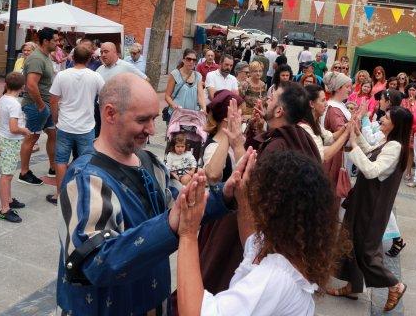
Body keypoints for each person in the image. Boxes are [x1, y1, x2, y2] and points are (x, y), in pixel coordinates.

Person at [56, 73, 237, 315]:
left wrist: (226, 193)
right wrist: (170, 225)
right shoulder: (86, 177)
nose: (151, 129)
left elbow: (184, 205)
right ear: (110, 114)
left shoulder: (149, 161)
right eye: (142, 120)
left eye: (153, 118)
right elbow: (95, 262)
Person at [176, 150, 338, 316]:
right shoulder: (292, 257)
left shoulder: (276, 277)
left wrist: (188, 233)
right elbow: (252, 244)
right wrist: (242, 196)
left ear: (271, 208)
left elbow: (196, 312)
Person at [332, 107, 411, 312]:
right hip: (363, 200)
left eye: (387, 117)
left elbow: (371, 170)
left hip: (372, 206)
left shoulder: (395, 147)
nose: (382, 119)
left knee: (365, 250)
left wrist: (353, 143)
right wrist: (357, 135)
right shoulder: (389, 142)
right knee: (350, 240)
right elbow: (371, 153)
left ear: (396, 124)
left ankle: (394, 284)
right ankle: (353, 286)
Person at [197, 91, 247, 293]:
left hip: (233, 215)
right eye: (239, 113)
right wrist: (227, 134)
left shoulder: (236, 142)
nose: (243, 117)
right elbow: (214, 174)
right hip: (216, 217)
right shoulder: (213, 146)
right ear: (228, 116)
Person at [47, 45, 105, 205]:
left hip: (65, 125)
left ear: (72, 58)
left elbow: (53, 99)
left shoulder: (62, 75)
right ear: (88, 59)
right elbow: (105, 98)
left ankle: (60, 194)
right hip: (86, 127)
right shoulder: (95, 77)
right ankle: (82, 193)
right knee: (86, 161)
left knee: (61, 160)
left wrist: (55, 118)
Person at [19, 28, 58, 186]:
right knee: (32, 138)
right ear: (46, 41)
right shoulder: (36, 59)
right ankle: (24, 172)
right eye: (55, 40)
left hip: (45, 105)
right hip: (36, 106)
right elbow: (31, 85)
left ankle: (53, 168)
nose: (58, 43)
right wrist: (41, 105)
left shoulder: (45, 57)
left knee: (53, 134)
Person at [0, 72, 31, 223]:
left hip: (6, 139)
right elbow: (13, 128)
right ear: (22, 87)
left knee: (8, 172)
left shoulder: (3, 98)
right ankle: (4, 209)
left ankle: (9, 200)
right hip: (10, 140)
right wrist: (25, 131)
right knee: (7, 175)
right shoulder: (15, 104)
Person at [322, 71, 354, 200]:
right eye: (347, 87)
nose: (350, 90)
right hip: (336, 155)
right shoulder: (334, 109)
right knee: (334, 189)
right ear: (339, 88)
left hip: (337, 153)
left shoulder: (337, 105)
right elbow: (343, 133)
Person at [300, 84, 351, 161]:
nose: (326, 104)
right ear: (311, 104)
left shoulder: (314, 122)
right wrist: (346, 134)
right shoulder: (304, 127)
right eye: (323, 100)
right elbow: (323, 156)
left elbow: (329, 137)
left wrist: (346, 126)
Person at [165, 49, 206, 116]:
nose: (191, 61)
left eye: (194, 60)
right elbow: (167, 96)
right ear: (183, 60)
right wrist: (174, 106)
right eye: (188, 59)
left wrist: (204, 108)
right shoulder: (175, 74)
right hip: (176, 114)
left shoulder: (198, 76)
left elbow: (200, 96)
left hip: (193, 115)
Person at [401, 83, 416, 179]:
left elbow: (415, 115)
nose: (411, 92)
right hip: (404, 127)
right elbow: (402, 113)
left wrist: (412, 104)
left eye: (414, 90)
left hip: (414, 129)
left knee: (410, 151)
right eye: (410, 90)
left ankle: (408, 172)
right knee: (401, 149)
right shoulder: (403, 100)